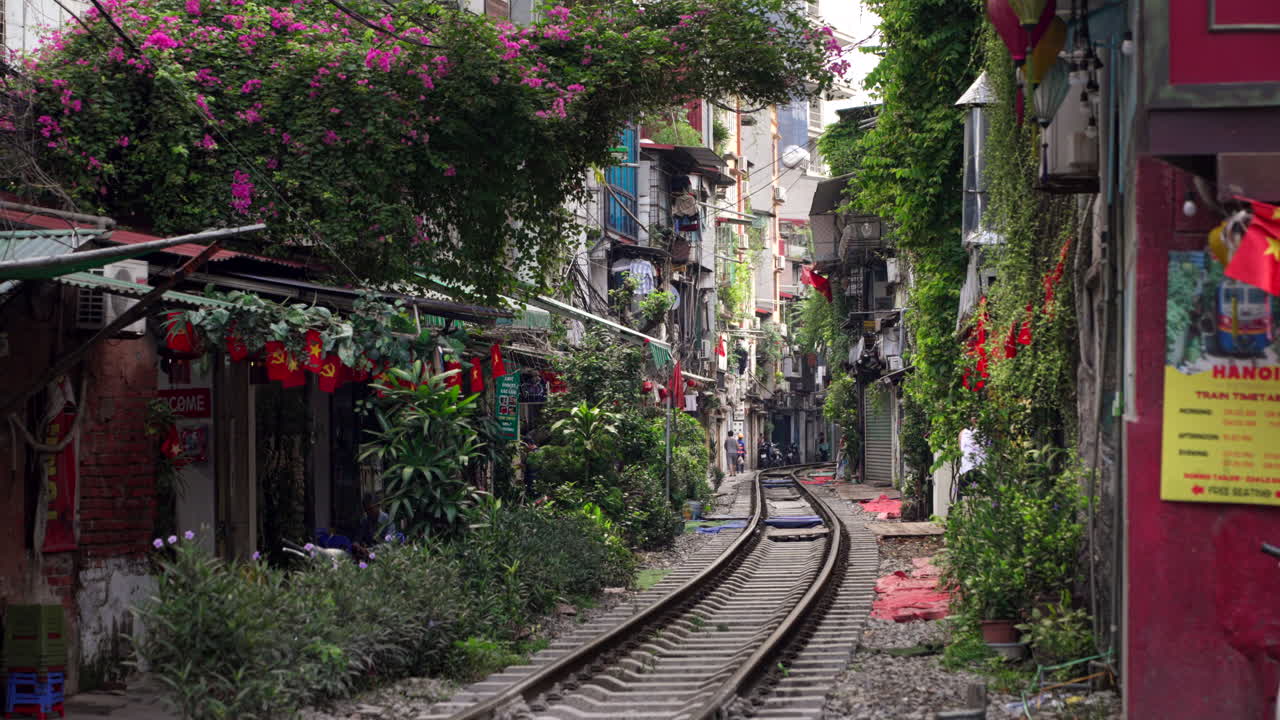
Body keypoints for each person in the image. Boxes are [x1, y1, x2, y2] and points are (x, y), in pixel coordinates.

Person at [353, 492, 390, 559]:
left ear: (378, 506)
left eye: (370, 509)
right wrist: (357, 545)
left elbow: (389, 543)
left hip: (384, 556)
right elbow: (358, 538)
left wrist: (370, 550)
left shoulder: (387, 519)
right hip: (367, 555)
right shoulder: (365, 520)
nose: (368, 512)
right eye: (366, 510)